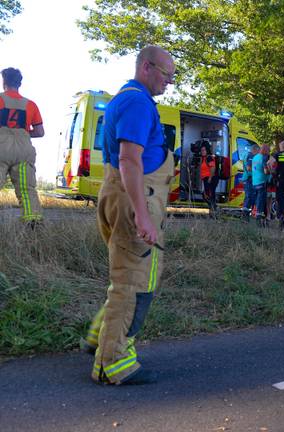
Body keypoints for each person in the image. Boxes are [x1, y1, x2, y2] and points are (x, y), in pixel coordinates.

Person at [82, 45, 176, 385]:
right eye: (167, 75)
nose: (170, 82)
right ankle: (114, 362)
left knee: (124, 275)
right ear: (146, 67)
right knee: (137, 282)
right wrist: (143, 215)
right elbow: (129, 160)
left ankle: (99, 337)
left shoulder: (123, 99)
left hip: (115, 194)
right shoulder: (137, 102)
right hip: (135, 198)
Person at [0, 67, 45, 225]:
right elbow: (40, 132)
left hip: (1, 147)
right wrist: (23, 132)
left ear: (4, 82)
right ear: (19, 83)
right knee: (27, 190)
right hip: (23, 149)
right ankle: (33, 224)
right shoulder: (31, 105)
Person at [251, 143, 270, 225]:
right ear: (264, 150)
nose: (268, 152)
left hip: (255, 182)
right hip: (262, 182)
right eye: (268, 150)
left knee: (257, 200)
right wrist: (271, 172)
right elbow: (266, 171)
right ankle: (259, 221)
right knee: (261, 202)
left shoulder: (255, 157)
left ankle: (259, 217)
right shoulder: (263, 158)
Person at [199, 141, 218, 215]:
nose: (202, 151)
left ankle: (214, 209)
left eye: (204, 150)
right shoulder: (204, 158)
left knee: (208, 194)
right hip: (206, 178)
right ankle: (212, 208)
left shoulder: (209, 157)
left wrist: (210, 178)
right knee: (207, 194)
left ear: (207, 150)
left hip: (210, 179)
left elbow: (213, 168)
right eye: (201, 150)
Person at [241, 144, 259, 221]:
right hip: (250, 178)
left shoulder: (246, 155)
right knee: (249, 197)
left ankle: (246, 216)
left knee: (248, 197)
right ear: (255, 150)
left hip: (247, 178)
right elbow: (249, 168)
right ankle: (245, 217)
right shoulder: (251, 156)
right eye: (258, 151)